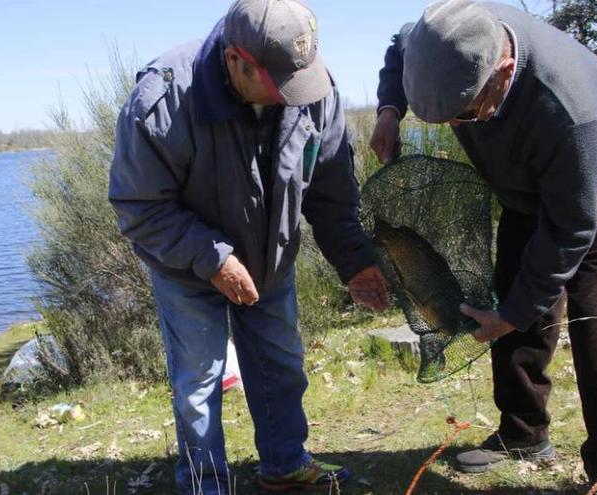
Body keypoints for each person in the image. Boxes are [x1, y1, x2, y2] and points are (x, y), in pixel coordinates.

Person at [370, 1, 597, 493]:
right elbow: (399, 45)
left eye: (467, 112)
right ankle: (523, 433)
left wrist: (517, 310)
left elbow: (570, 230)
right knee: (511, 293)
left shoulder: (566, 109)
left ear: (502, 70)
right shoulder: (445, 35)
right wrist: (390, 109)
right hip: (522, 190)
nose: (459, 125)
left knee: (592, 314)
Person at [109, 0, 389, 493]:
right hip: (186, 266)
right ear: (236, 60)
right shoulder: (164, 98)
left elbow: (330, 190)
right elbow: (140, 206)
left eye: (297, 79)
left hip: (271, 258)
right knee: (198, 383)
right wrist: (213, 259)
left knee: (281, 364)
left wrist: (354, 262)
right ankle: (205, 485)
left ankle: (284, 466)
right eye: (276, 81)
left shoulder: (311, 87)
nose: (291, 95)